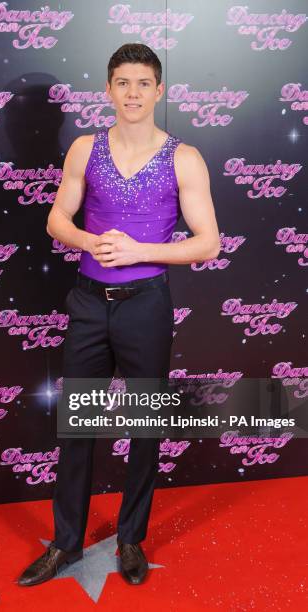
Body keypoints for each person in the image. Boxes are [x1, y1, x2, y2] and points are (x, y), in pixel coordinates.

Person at [17, 43, 220, 588]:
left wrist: (139, 251)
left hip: (147, 306)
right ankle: (65, 544)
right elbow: (58, 218)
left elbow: (207, 244)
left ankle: (131, 538)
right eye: (122, 83)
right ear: (108, 90)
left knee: (146, 426)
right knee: (78, 426)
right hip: (87, 303)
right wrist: (88, 240)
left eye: (143, 83)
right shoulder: (84, 149)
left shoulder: (184, 157)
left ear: (160, 91)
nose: (132, 93)